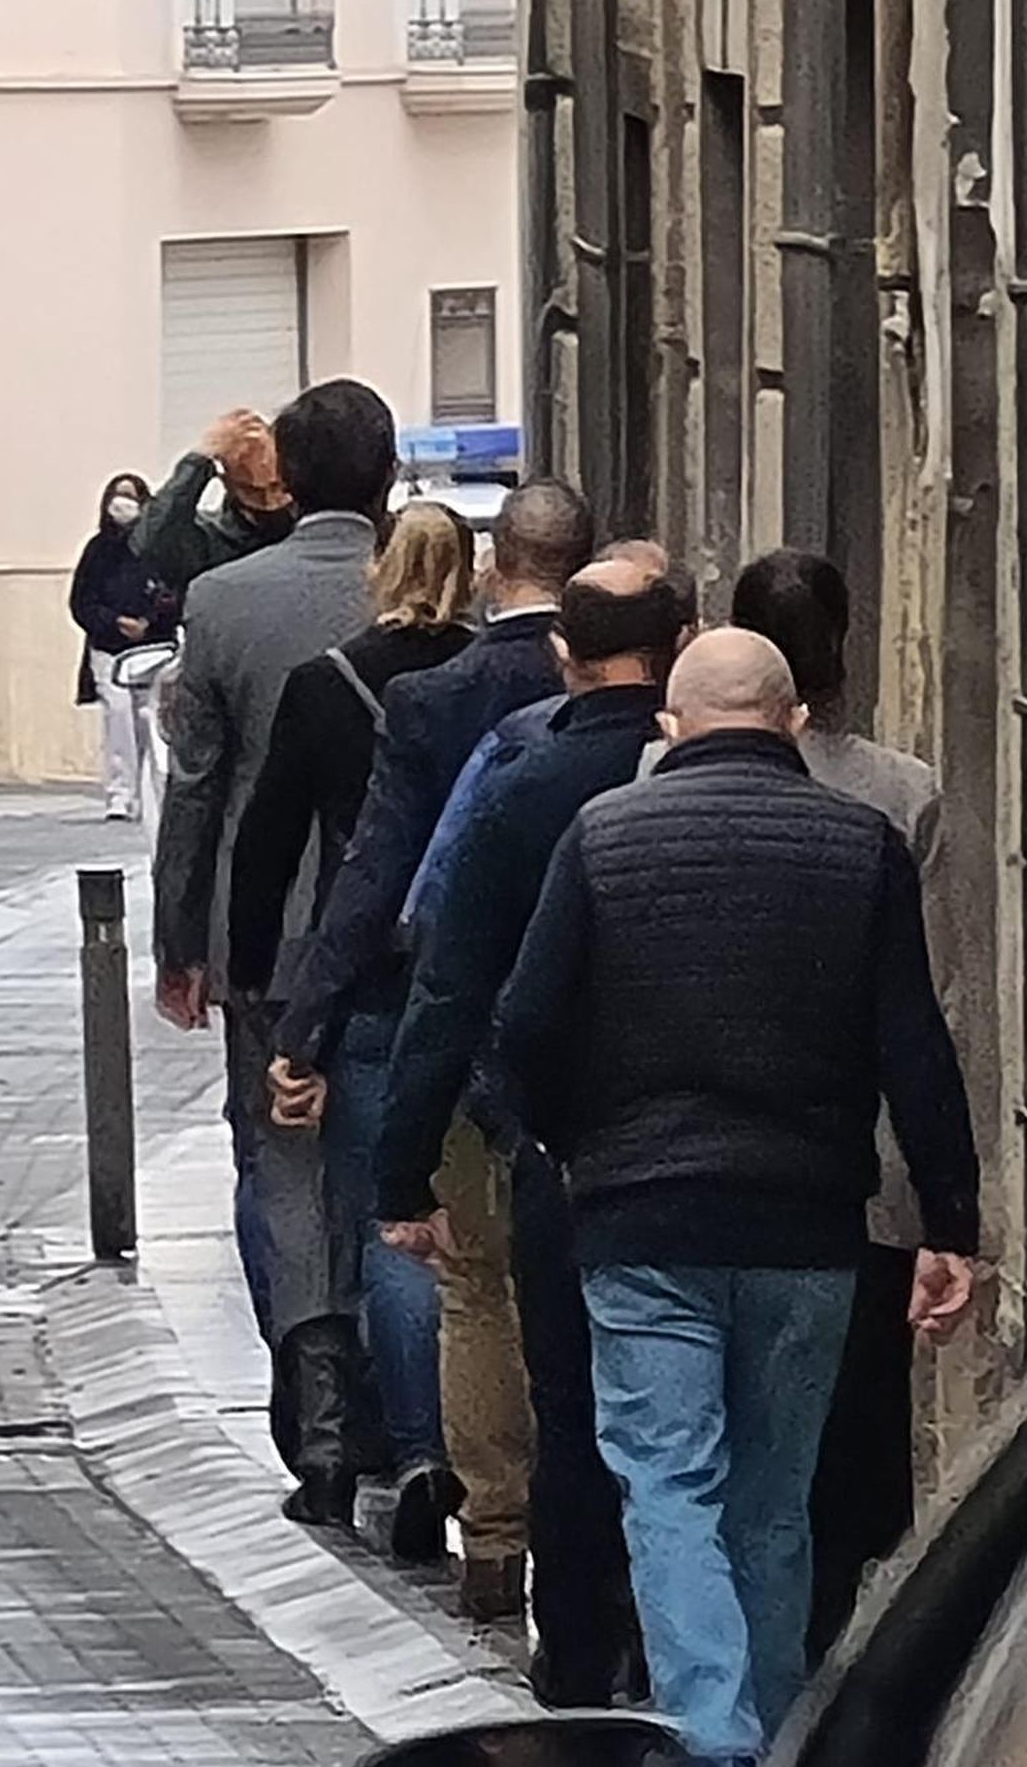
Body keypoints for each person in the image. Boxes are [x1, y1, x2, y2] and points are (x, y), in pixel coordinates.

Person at [488, 628, 980, 1767]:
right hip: (806, 1220)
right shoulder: (857, 845)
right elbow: (912, 1045)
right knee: (774, 1494)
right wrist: (949, 1223)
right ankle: (774, 1746)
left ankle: (716, 1748)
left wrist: (566, 1149)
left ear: (670, 724)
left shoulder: (603, 836)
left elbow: (522, 1026)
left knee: (666, 1480)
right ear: (795, 720)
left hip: (641, 1218)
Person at [270, 477, 595, 1622]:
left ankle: (492, 1536)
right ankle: (583, 1537)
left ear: (500, 564)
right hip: (598, 1058)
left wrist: (304, 1022)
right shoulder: (643, 709)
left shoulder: (444, 702)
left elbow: (382, 879)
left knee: (469, 1287)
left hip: (455, 1034)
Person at [380, 553, 694, 1703]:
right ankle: (692, 1660)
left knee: (571, 1404)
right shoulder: (709, 780)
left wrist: (402, 1167)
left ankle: (574, 1654)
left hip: (565, 1148)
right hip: (719, 1149)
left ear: (563, 653)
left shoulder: (522, 781)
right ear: (677, 644)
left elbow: (447, 984)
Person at [153, 378, 399, 1526]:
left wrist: (178, 940)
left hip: (266, 941)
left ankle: (318, 1403)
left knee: (280, 1161)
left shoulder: (222, 601)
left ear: (287, 481)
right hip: (400, 930)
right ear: (388, 474)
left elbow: (195, 791)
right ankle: (407, 1416)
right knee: (394, 1160)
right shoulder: (422, 590)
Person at [229, 502, 477, 1559]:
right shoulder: (497, 680)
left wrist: (264, 991)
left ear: (380, 570)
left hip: (371, 975)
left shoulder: (325, 686)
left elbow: (269, 844)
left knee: (388, 1216)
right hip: (481, 976)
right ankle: (483, 1457)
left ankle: (397, 1444)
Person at [723, 550, 942, 1660]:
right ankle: (843, 1632)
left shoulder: (667, 787)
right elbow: (915, 998)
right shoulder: (901, 793)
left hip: (736, 1155)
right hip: (867, 1153)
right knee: (862, 1414)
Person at [68, 474, 178, 822]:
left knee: (150, 721)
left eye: (131, 497)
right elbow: (82, 602)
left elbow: (175, 596)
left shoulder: (160, 548)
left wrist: (151, 622)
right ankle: (120, 794)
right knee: (117, 718)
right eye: (118, 496)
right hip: (109, 650)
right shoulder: (98, 550)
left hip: (154, 650)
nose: (124, 503)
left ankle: (151, 793)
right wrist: (115, 622)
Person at [135, 409, 296, 593]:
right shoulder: (209, 538)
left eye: (277, 487)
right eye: (251, 491)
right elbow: (150, 545)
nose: (269, 502)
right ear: (228, 484)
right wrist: (200, 459)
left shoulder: (310, 528)